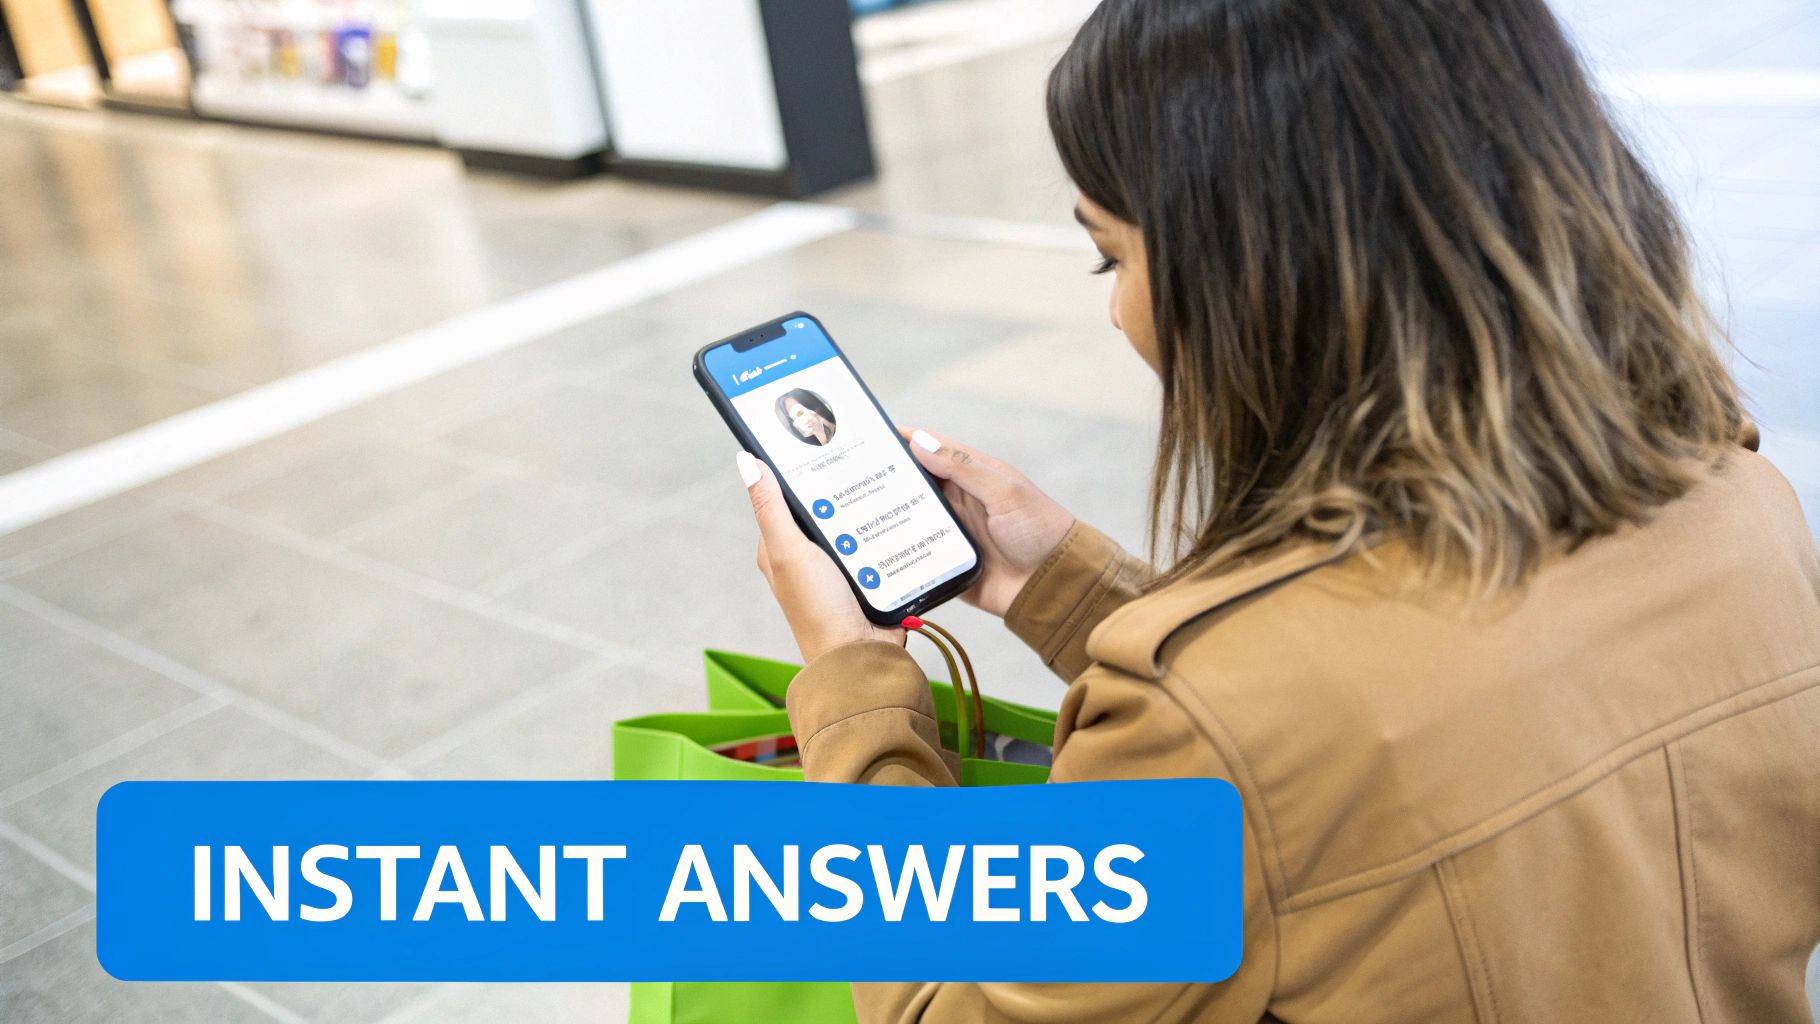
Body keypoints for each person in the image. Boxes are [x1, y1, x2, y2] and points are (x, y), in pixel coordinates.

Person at [734, 0, 1820, 1020]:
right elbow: (1372, 745)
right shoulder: (1745, 507)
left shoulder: (1208, 725)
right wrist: (1054, 579)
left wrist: (851, 681)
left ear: (1259, 267)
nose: (1116, 309)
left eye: (1109, 253)